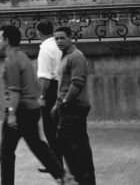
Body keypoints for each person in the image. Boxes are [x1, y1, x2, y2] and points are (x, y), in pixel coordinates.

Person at [0, 25, 66, 185]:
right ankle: (63, 177)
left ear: (7, 40)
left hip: (20, 111)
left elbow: (14, 91)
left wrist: (12, 114)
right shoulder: (22, 57)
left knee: (6, 153)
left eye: (0, 38)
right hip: (31, 109)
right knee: (38, 146)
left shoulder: (12, 60)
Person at [52, 26, 96, 185]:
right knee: (72, 147)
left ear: (71, 38)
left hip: (74, 108)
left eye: (62, 38)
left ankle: (79, 179)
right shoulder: (65, 56)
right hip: (67, 108)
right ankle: (77, 179)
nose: (59, 41)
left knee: (75, 149)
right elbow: (63, 85)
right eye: (56, 38)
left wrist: (63, 103)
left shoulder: (76, 57)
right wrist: (58, 105)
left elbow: (76, 84)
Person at [36, 20, 62, 166]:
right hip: (61, 85)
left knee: (50, 128)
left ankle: (56, 162)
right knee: (58, 126)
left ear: (38, 32)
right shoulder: (58, 45)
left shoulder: (45, 49)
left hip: (51, 89)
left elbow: (44, 78)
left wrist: (41, 96)